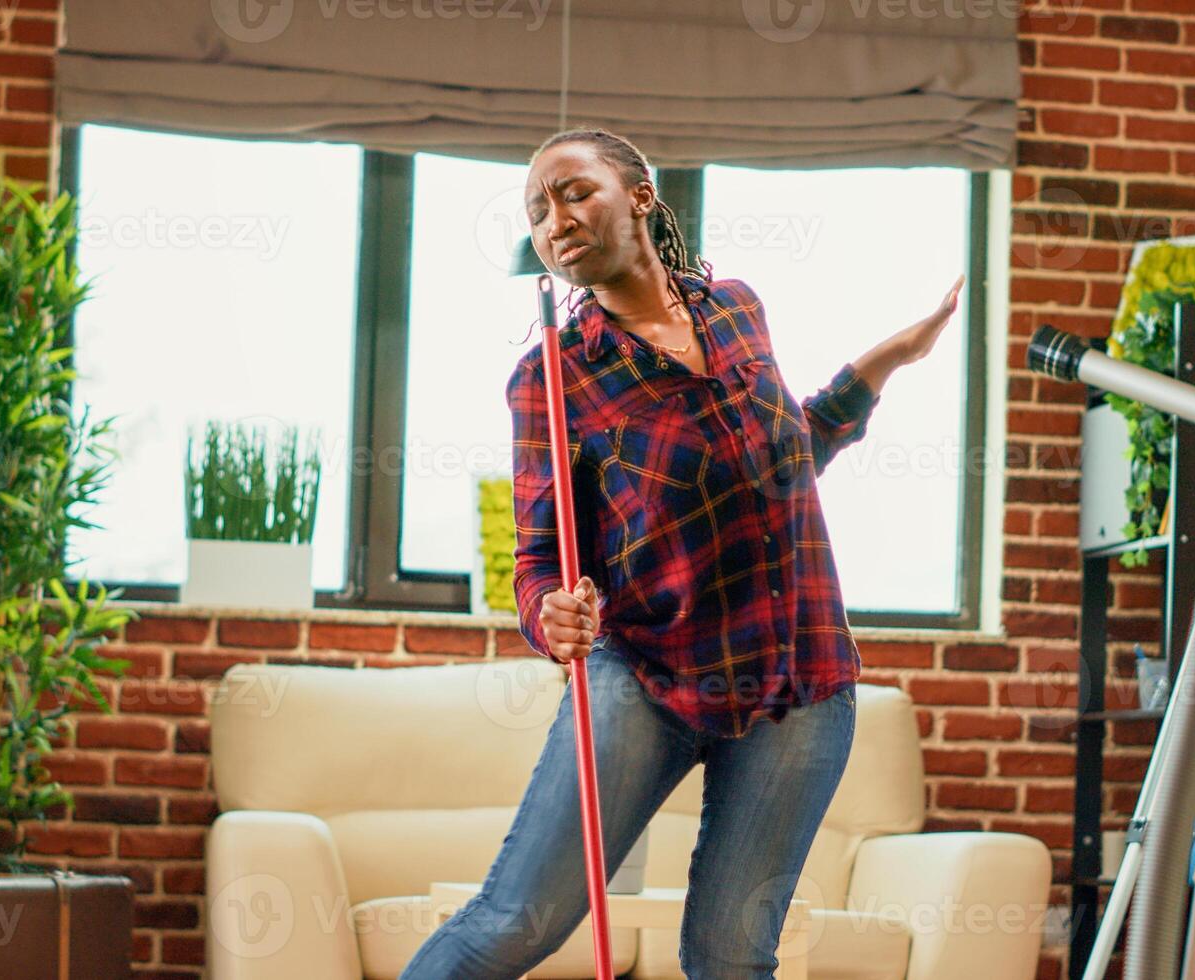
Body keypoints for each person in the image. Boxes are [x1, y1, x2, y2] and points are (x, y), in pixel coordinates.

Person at [399, 128, 962, 980]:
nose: (555, 220)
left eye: (572, 191)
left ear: (639, 195)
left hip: (798, 683)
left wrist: (879, 365)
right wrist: (549, 615)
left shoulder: (736, 307)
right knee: (516, 922)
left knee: (731, 959)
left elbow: (780, 457)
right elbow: (541, 555)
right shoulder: (554, 376)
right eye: (537, 211)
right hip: (650, 678)